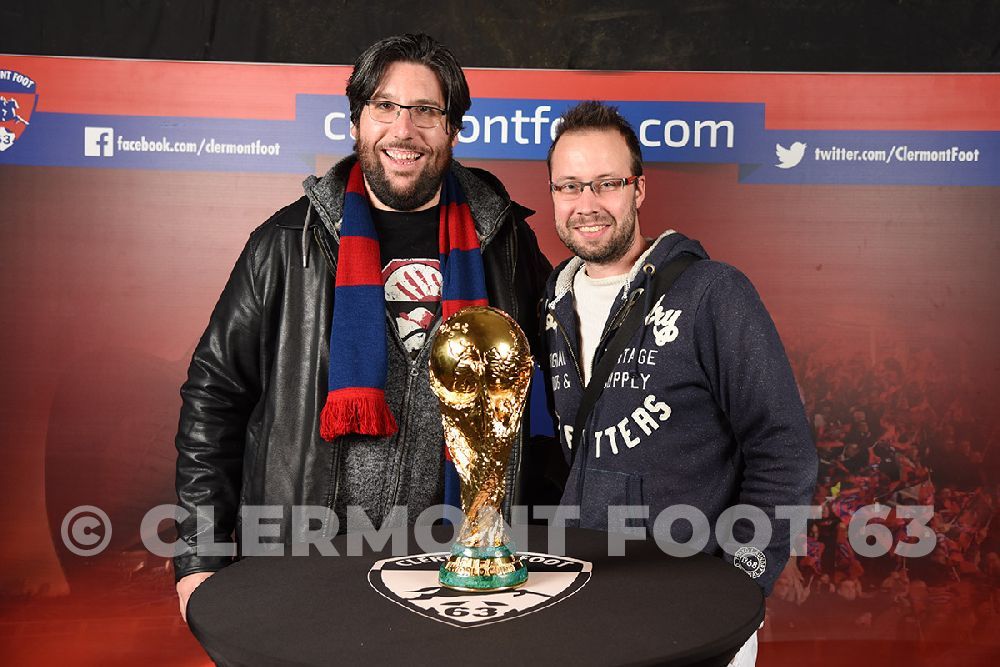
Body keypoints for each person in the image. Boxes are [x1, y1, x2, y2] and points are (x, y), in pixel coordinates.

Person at [174, 34, 551, 620]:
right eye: (384, 106)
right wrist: (200, 558)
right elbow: (213, 401)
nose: (404, 130)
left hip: (459, 575)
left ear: (453, 129)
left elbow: (558, 389)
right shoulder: (285, 244)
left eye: (426, 111)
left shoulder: (505, 244)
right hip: (307, 565)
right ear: (355, 121)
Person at [540, 101, 817, 662]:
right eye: (569, 187)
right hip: (587, 605)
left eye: (607, 183)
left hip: (698, 614)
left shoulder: (713, 292)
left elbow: (784, 449)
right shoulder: (554, 303)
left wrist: (739, 581)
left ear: (638, 189)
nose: (586, 204)